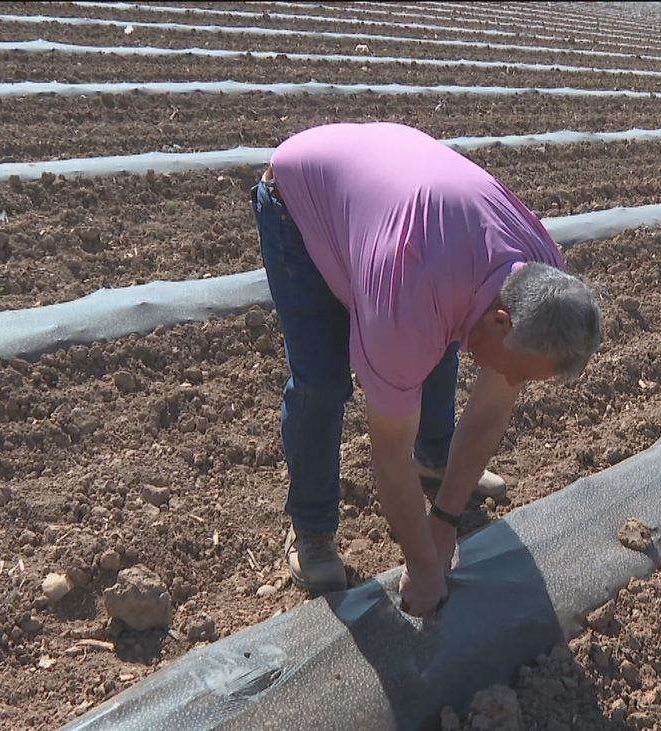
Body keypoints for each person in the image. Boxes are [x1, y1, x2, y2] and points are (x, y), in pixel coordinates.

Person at [250, 122, 602, 616]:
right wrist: (423, 566)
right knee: (322, 381)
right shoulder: (407, 298)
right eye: (520, 371)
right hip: (300, 201)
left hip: (406, 210)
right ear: (502, 320)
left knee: (439, 337)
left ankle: (436, 463)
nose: (514, 382)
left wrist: (444, 521)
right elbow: (388, 455)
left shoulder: (542, 273)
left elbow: (490, 406)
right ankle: (311, 529)